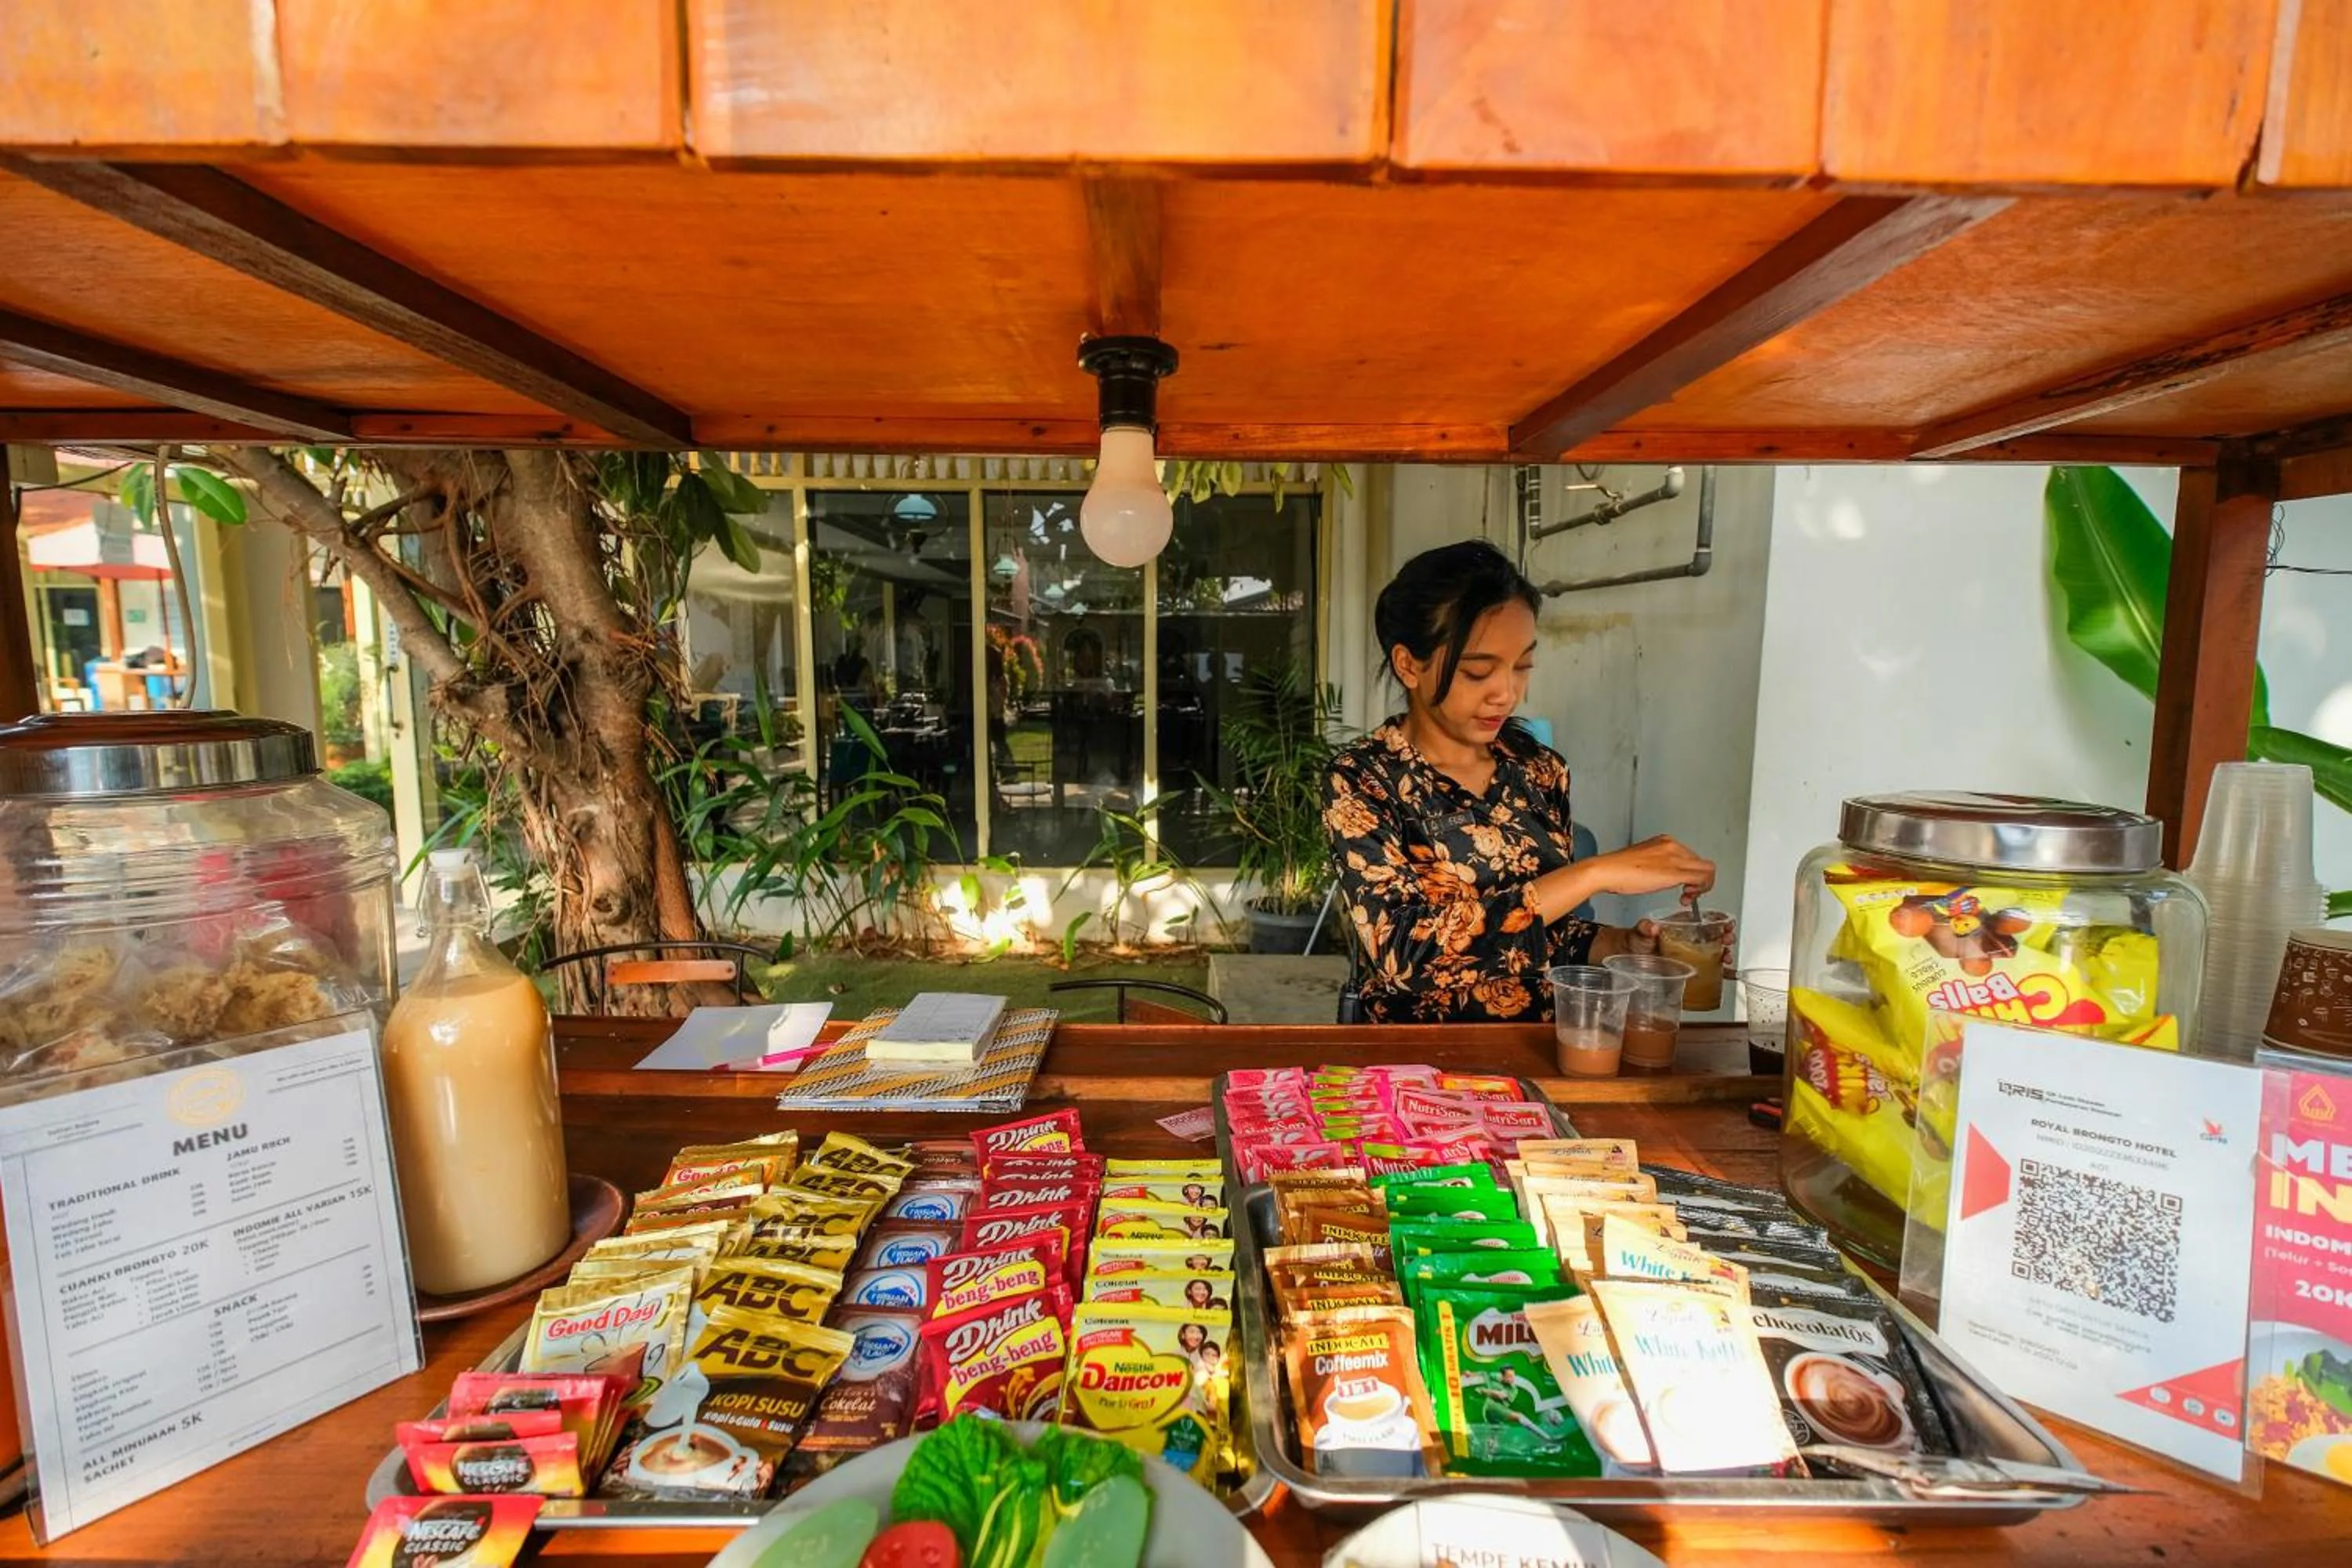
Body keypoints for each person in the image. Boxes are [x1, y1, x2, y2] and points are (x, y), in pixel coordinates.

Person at [1326, 539, 1719, 1024]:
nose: (1507, 693)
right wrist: (1593, 873)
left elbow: (1542, 936)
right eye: (1478, 672)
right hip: (1418, 1058)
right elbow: (1407, 956)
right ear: (1409, 665)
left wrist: (1621, 945)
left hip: (1542, 1047)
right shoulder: (1365, 780)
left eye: (1522, 666)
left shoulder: (1538, 769)